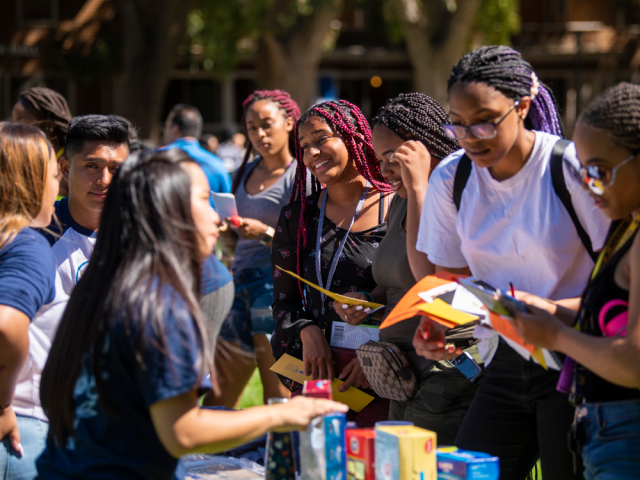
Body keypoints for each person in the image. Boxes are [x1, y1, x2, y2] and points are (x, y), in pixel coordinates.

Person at [36, 149, 347, 480]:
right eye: (203, 200)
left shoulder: (106, 280)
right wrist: (285, 415)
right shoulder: (162, 302)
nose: (217, 217)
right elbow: (182, 431)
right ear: (169, 211)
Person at [413, 46, 610, 479]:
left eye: (484, 120)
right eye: (458, 125)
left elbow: (620, 284)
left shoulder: (571, 168)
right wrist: (439, 324)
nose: (470, 137)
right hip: (507, 359)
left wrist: (553, 312)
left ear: (521, 106)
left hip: (579, 362)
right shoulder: (453, 176)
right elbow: (452, 276)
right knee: (468, 472)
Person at [502, 82, 640, 480]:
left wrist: (557, 337)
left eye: (598, 171)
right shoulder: (626, 228)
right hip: (603, 430)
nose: (586, 186)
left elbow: (633, 361)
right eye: (582, 172)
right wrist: (551, 311)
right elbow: (612, 311)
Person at [354, 92, 473, 444]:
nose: (384, 169)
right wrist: (363, 298)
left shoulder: (455, 196)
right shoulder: (401, 202)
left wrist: (420, 184)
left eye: (393, 156)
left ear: (425, 148)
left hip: (445, 369)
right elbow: (396, 276)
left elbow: (431, 279)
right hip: (400, 371)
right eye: (379, 158)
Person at [271, 100, 392, 426]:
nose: (311, 153)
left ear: (353, 137)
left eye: (322, 139)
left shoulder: (397, 208)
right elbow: (284, 301)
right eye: (305, 146)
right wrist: (306, 331)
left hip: (383, 374)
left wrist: (376, 354)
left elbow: (417, 289)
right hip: (318, 372)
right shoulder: (296, 218)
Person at [213, 90, 301, 408]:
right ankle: (216, 453)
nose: (259, 134)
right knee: (219, 389)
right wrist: (227, 231)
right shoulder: (242, 173)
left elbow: (305, 243)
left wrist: (264, 233)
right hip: (238, 282)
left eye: (267, 124)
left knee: (276, 386)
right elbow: (233, 242)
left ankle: (278, 454)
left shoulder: (300, 177)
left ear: (289, 123)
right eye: (251, 127)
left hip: (274, 285)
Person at [0, 123, 59, 479]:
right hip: (19, 433)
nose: (59, 185)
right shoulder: (27, 245)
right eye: (54, 174)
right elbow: (7, 326)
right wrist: (3, 403)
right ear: (31, 180)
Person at [12, 87, 73, 199]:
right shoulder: (22, 162)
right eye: (14, 123)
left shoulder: (72, 167)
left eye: (21, 122)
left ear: (49, 124)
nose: (15, 129)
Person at [162, 104, 231, 195]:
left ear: (175, 129)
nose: (164, 130)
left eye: (166, 126)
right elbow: (227, 205)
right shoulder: (216, 164)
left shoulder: (156, 159)